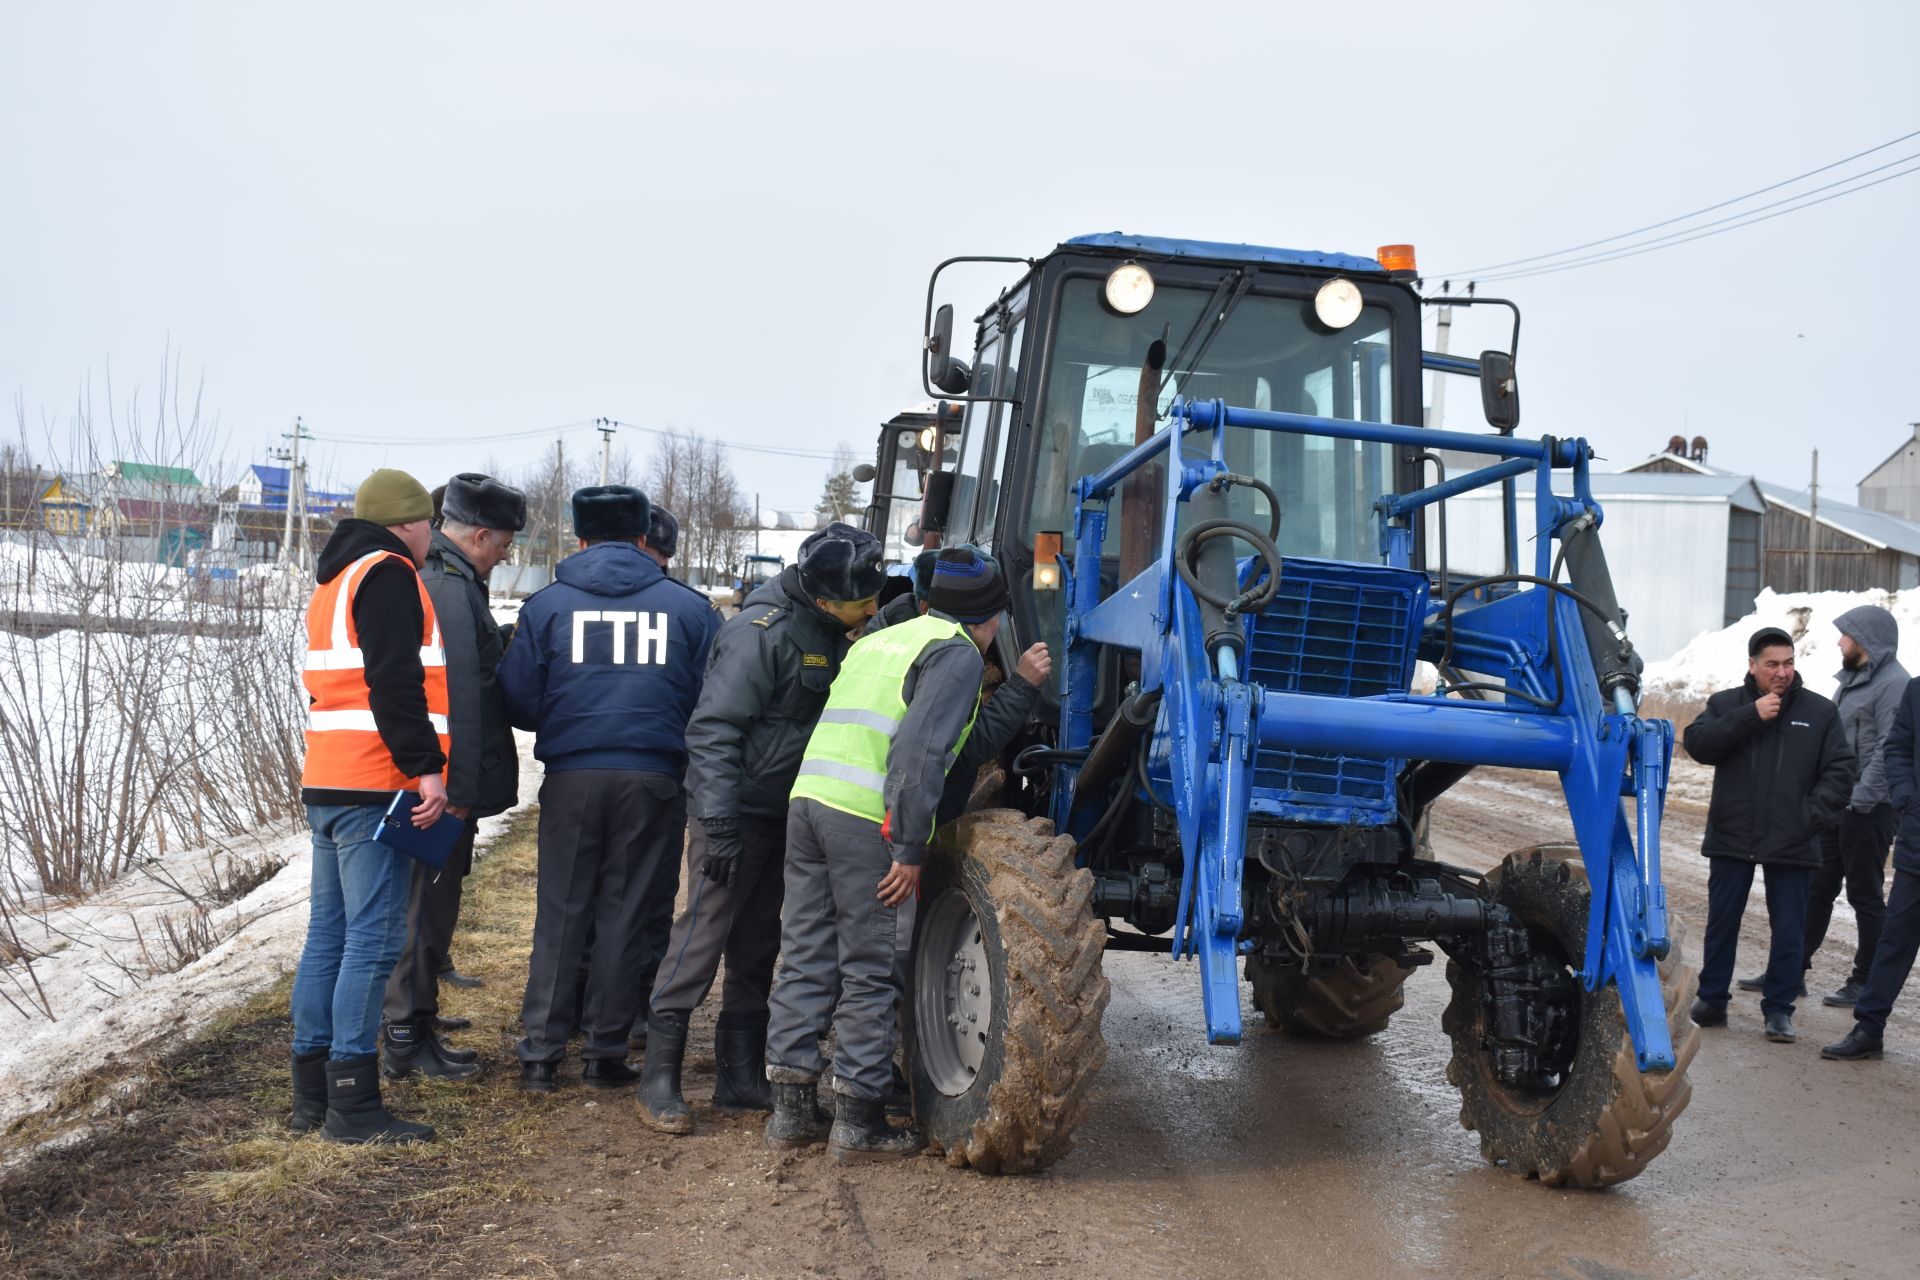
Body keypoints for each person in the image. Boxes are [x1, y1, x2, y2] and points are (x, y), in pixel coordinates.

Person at [638, 522, 886, 1132]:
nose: (871, 609)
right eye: (863, 602)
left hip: (789, 817)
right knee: (701, 937)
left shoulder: (831, 628)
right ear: (825, 598)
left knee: (759, 946)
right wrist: (718, 822)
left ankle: (739, 1076)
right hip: (738, 816)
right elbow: (715, 729)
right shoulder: (761, 634)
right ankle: (659, 1079)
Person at [763, 547, 1008, 1162]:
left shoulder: (883, 640)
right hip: (863, 820)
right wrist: (908, 846)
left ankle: (791, 1110)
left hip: (809, 802)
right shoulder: (955, 655)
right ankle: (858, 1121)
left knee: (806, 951)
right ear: (994, 617)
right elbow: (918, 755)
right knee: (870, 966)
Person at [497, 485, 718, 1092]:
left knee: (561, 912)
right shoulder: (691, 609)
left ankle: (540, 1056)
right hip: (653, 778)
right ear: (645, 538)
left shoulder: (545, 607)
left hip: (571, 776)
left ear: (579, 537)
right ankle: (604, 1052)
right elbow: (709, 703)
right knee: (627, 912)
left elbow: (517, 698)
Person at [288, 469, 450, 1145]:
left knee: (327, 936)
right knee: (374, 939)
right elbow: (394, 682)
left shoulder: (335, 579)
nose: (431, 536)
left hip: (328, 778)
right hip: (374, 783)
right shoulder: (386, 574)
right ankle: (353, 1103)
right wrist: (426, 770)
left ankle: (312, 1096)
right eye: (427, 524)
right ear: (408, 523)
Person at [379, 473, 527, 1081]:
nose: (507, 556)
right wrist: (458, 792)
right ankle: (405, 1036)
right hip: (439, 789)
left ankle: (417, 1016)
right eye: (504, 544)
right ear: (480, 535)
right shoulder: (447, 586)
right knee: (422, 907)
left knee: (432, 904)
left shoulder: (454, 580)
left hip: (440, 782)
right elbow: (457, 697)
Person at [1684, 626, 1855, 1044]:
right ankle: (1712, 1000)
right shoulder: (1727, 704)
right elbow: (1698, 743)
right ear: (1753, 666)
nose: (1782, 672)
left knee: (1790, 928)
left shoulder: (1818, 711)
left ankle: (1779, 1009)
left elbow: (1842, 770)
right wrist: (1750, 716)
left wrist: (1808, 817)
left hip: (1792, 838)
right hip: (1732, 834)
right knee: (1723, 923)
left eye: (1789, 662)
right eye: (1773, 664)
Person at [1742, 607, 1904, 1007]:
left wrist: (1862, 800)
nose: (1839, 642)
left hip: (1871, 809)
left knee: (1865, 896)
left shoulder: (1893, 685)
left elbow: (1889, 749)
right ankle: (1790, 971)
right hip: (1841, 806)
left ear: (1866, 639)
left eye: (1845, 635)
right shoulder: (1851, 683)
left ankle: (1865, 981)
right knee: (1817, 890)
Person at [1825, 668, 1920, 1060]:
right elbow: (1897, 747)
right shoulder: (1916, 690)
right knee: (1895, 941)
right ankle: (1868, 1028)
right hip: (1918, 846)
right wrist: (1906, 800)